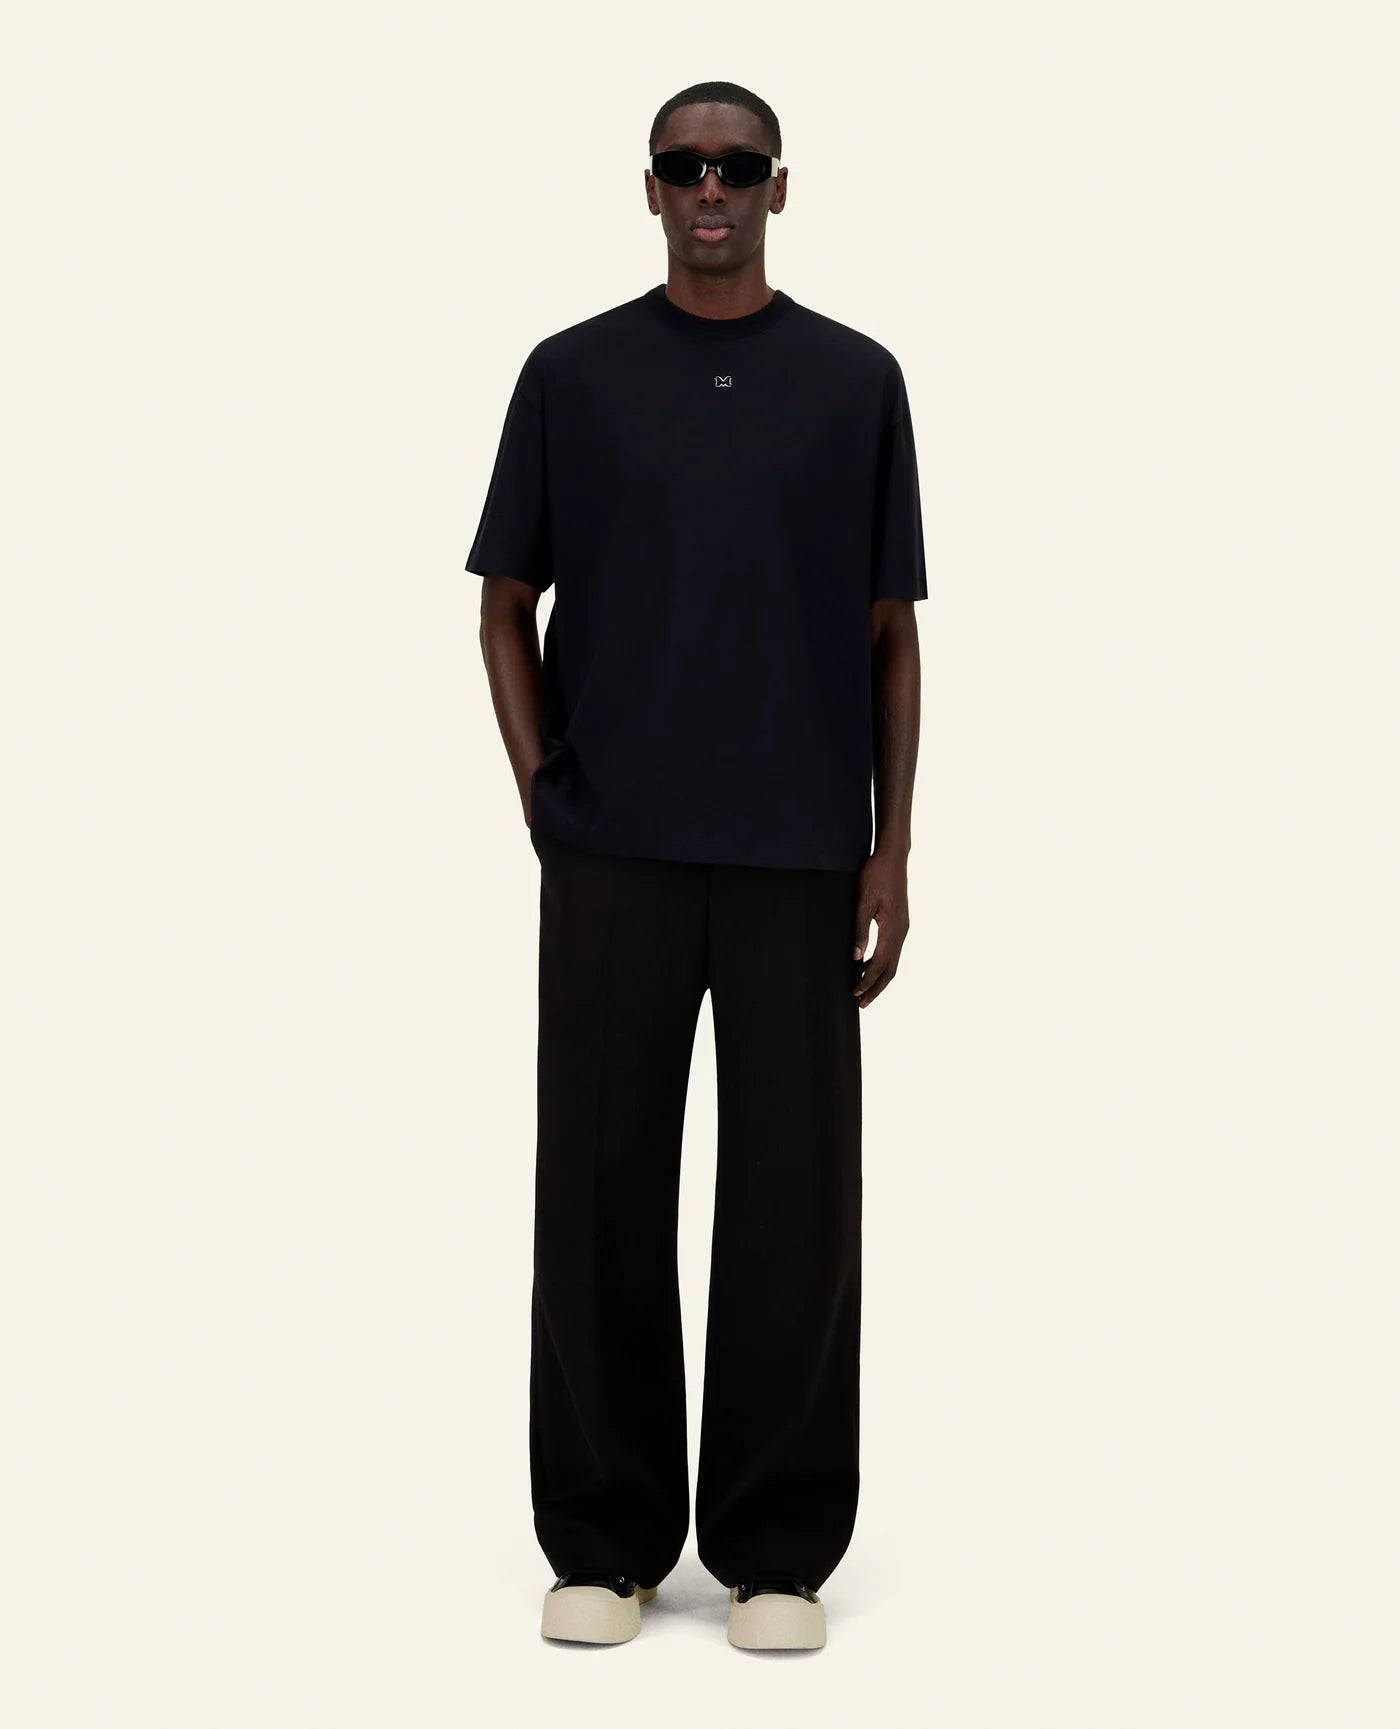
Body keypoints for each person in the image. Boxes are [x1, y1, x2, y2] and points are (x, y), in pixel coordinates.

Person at [466, 79, 928, 1651]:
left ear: (780, 187)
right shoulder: (571, 376)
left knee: (796, 1198)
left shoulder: (857, 382)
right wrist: (548, 799)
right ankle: (604, 1541)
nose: (710, 187)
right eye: (684, 165)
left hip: (800, 854)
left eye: (737, 165)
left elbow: (889, 633)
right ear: (650, 187)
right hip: (615, 853)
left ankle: (776, 1549)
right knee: (598, 1183)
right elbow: (502, 603)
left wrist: (892, 844)